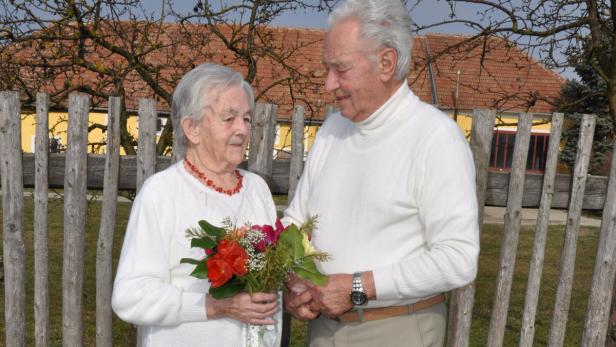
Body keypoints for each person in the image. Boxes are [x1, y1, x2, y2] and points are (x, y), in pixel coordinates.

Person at [283, 0, 480, 346]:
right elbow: (296, 221)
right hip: (324, 329)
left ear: (386, 63)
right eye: (327, 69)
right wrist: (297, 285)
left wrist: (358, 289)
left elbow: (458, 259)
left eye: (341, 69)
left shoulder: (434, 138)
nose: (329, 84)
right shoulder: (332, 130)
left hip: (397, 329)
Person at [112, 63, 281, 346]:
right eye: (229, 118)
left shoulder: (257, 189)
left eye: (247, 119)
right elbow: (130, 296)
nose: (242, 129)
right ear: (192, 128)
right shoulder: (163, 192)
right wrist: (213, 306)